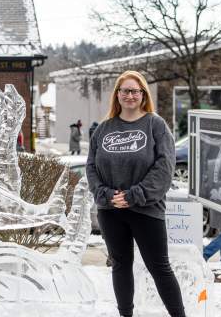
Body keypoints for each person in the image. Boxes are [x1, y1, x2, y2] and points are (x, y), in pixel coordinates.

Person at [86, 70, 185, 317]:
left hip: (146, 209)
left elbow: (165, 167)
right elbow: (91, 166)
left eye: (135, 91)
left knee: (159, 268)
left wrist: (134, 195)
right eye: (125, 91)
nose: (130, 95)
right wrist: (106, 194)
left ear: (143, 95)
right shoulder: (103, 129)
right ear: (117, 95)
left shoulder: (155, 125)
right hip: (111, 211)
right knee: (120, 266)